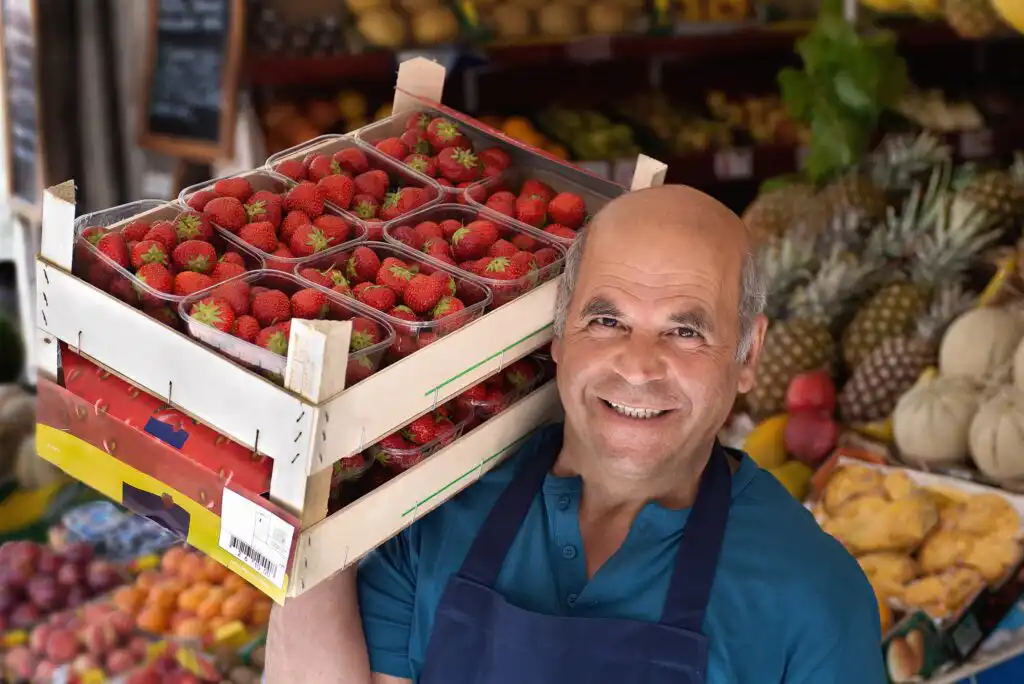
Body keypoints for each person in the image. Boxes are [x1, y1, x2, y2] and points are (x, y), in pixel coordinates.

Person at [266, 185, 885, 684]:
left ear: (748, 355)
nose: (638, 366)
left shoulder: (814, 598)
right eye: (607, 319)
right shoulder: (430, 520)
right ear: (558, 334)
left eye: (685, 331)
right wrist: (307, 481)